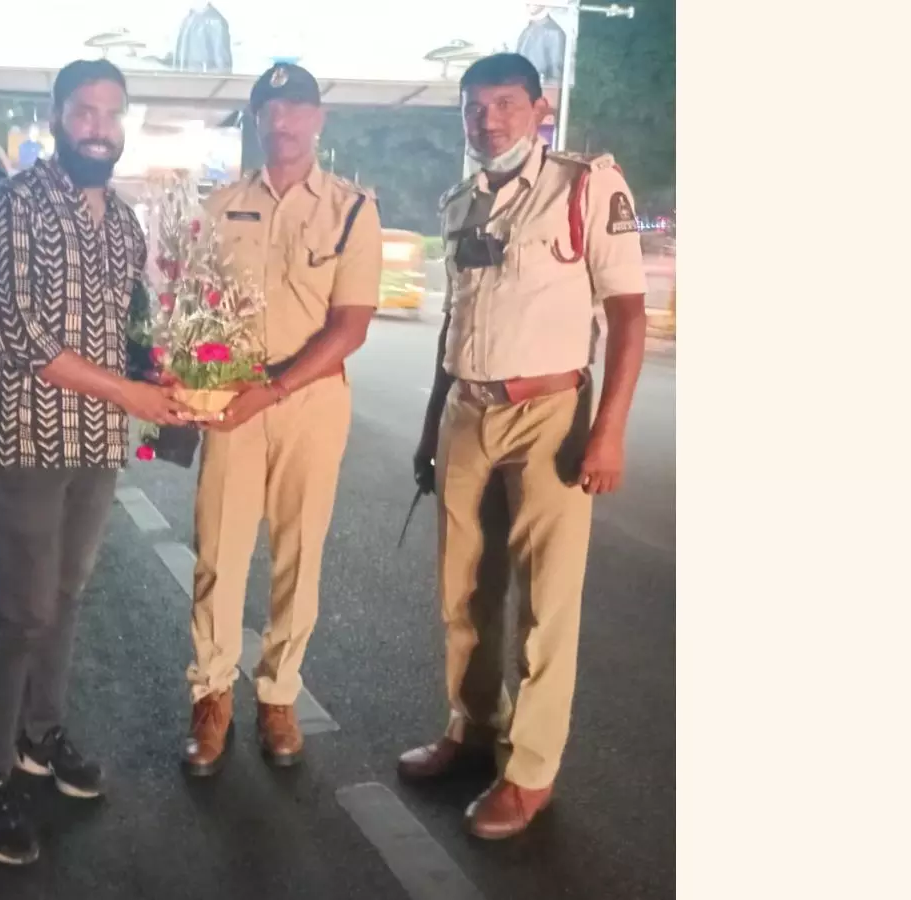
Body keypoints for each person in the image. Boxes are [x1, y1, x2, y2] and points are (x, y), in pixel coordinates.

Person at [395, 53, 648, 840]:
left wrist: (608, 430)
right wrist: (433, 422)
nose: (489, 119)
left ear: (540, 108)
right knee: (462, 589)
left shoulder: (584, 186)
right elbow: (454, 324)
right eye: (475, 107)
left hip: (551, 416)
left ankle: (530, 769)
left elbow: (631, 317)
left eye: (506, 104)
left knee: (547, 603)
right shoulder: (461, 201)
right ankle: (472, 727)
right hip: (468, 411)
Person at [0, 59, 192, 866]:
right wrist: (130, 394)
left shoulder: (124, 224)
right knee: (22, 608)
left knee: (66, 594)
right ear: (57, 116)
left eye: (111, 113)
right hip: (29, 437)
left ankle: (41, 732)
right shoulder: (16, 204)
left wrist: (158, 370)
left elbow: (131, 328)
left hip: (96, 441)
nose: (99, 126)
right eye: (84, 111)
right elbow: (22, 335)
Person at [181, 63, 382, 777]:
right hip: (229, 402)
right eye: (272, 108)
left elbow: (350, 325)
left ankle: (278, 695)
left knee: (299, 555)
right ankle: (212, 697)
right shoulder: (220, 205)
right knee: (218, 553)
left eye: (297, 108)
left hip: (310, 400)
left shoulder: (353, 209)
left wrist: (276, 386)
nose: (285, 121)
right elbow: (195, 305)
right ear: (257, 119)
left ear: (318, 119)